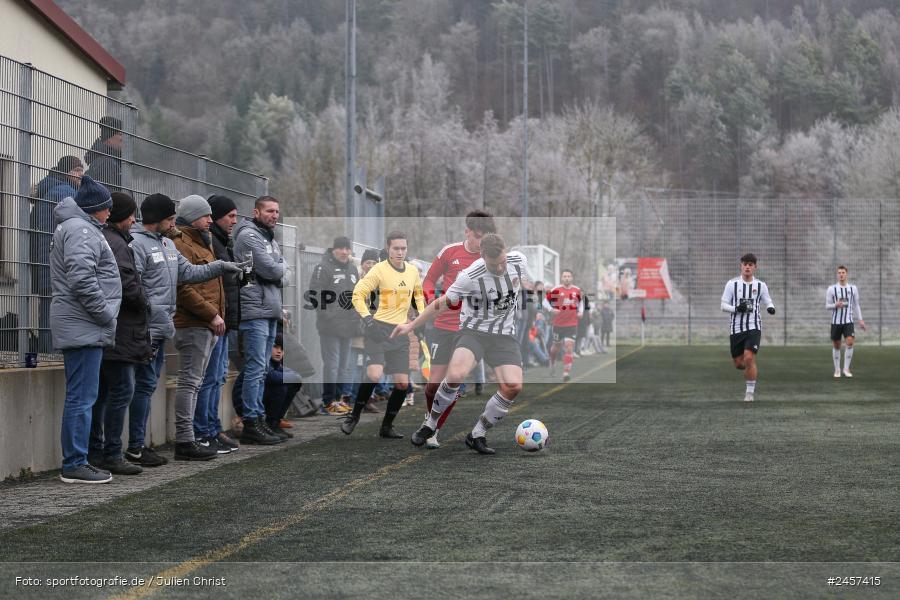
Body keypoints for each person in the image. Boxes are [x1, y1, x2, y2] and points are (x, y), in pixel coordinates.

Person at [125, 194, 240, 467]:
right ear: (157, 220)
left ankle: (143, 445)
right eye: (169, 218)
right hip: (153, 329)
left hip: (162, 328)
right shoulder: (138, 244)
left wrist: (221, 266)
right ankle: (140, 446)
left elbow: (188, 272)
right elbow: (135, 285)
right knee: (141, 388)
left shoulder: (166, 243)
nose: (173, 222)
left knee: (150, 385)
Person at [393, 234, 528, 455]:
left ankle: (477, 433)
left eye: (503, 261)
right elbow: (441, 304)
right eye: (496, 265)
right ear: (483, 257)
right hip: (474, 332)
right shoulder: (470, 275)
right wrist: (411, 325)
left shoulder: (518, 261)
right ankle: (431, 423)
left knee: (513, 386)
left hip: (503, 335)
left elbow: (523, 283)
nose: (501, 267)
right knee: (455, 375)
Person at [50, 176, 121, 484]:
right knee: (81, 397)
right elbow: (82, 280)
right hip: (85, 324)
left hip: (81, 323)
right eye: (107, 208)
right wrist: (106, 315)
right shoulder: (81, 230)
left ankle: (77, 460)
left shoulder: (78, 227)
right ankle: (75, 462)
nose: (110, 214)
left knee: (82, 396)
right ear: (95, 209)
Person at [169, 196, 242, 460]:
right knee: (195, 381)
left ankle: (205, 432)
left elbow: (208, 281)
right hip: (196, 322)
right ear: (191, 216)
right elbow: (184, 286)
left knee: (210, 379)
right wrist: (212, 314)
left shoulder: (203, 240)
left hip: (212, 321)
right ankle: (194, 436)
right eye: (206, 215)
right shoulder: (181, 243)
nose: (210, 221)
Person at [419, 210, 496, 448]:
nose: (481, 242)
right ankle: (430, 418)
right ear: (467, 232)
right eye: (477, 236)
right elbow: (429, 279)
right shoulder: (449, 252)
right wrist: (432, 300)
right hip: (443, 325)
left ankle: (434, 429)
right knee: (433, 385)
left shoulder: (491, 258)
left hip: (471, 330)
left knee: (454, 380)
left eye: (485, 237)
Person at [88, 192, 150, 476]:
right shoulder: (117, 243)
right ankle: (112, 453)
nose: (134, 220)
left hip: (112, 329)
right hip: (121, 331)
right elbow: (128, 286)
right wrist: (145, 301)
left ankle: (97, 451)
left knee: (102, 393)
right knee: (121, 390)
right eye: (130, 215)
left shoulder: (109, 240)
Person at [341, 231, 425, 438]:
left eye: (403, 248)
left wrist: (420, 321)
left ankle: (387, 426)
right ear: (388, 248)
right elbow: (357, 295)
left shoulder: (413, 271)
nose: (400, 252)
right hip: (377, 329)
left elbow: (418, 298)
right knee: (374, 374)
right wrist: (368, 320)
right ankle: (354, 415)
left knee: (402, 384)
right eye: (396, 248)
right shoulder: (378, 270)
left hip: (400, 332)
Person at [233, 195, 286, 445]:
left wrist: (278, 270)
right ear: (256, 212)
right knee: (255, 368)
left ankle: (260, 418)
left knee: (262, 368)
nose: (274, 215)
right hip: (255, 310)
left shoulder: (269, 238)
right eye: (269, 211)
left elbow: (283, 271)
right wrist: (278, 270)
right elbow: (273, 270)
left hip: (270, 309)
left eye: (277, 211)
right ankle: (251, 421)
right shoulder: (248, 236)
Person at [194, 195, 242, 453]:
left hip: (224, 319)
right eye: (230, 216)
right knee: (209, 378)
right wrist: (214, 314)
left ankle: (212, 428)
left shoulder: (222, 242)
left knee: (218, 377)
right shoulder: (211, 243)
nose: (234, 221)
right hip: (214, 320)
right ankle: (203, 431)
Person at [31, 156, 83, 353]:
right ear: (67, 172)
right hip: (61, 264)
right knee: (61, 313)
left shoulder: (47, 192)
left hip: (44, 260)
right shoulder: (67, 194)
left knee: (47, 312)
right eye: (77, 170)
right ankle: (56, 354)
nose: (81, 175)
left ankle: (47, 353)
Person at [308, 236, 360, 415]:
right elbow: (315, 294)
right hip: (330, 327)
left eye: (347, 248)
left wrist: (356, 317)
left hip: (349, 326)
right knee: (332, 364)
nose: (345, 252)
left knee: (343, 366)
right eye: (341, 248)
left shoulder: (353, 269)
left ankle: (338, 400)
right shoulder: (323, 267)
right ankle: (327, 402)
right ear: (334, 249)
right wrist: (328, 315)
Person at [720, 253, 776, 402]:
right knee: (739, 364)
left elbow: (768, 301)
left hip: (754, 326)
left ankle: (749, 393)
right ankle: (750, 368)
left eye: (750, 265)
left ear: (755, 267)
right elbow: (723, 305)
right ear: (741, 266)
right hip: (736, 328)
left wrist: (771, 308)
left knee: (749, 357)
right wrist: (737, 308)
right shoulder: (732, 284)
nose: (747, 267)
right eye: (745, 264)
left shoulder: (760, 285)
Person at [826, 265, 866, 378]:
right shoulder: (831, 289)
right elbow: (827, 306)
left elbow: (856, 305)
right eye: (839, 273)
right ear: (837, 275)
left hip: (848, 321)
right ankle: (837, 370)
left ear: (846, 274)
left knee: (850, 342)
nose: (841, 274)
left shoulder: (853, 288)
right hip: (836, 322)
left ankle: (846, 368)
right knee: (837, 346)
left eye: (843, 272)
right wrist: (835, 305)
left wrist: (861, 320)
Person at [545, 269, 583, 382]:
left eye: (569, 276)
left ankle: (566, 373)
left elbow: (582, 303)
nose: (567, 278)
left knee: (569, 347)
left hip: (572, 324)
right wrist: (551, 309)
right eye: (565, 276)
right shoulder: (556, 290)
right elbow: (544, 302)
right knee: (555, 348)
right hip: (558, 324)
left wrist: (580, 311)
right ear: (562, 278)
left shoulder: (577, 290)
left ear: (572, 278)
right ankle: (552, 362)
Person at [262, 336, 301, 439]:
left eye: (282, 349)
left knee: (293, 384)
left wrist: (296, 377)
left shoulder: (277, 365)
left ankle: (275, 422)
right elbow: (271, 376)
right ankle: (270, 423)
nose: (279, 352)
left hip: (261, 400)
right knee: (281, 384)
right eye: (275, 347)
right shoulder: (263, 361)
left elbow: (291, 374)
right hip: (244, 404)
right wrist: (295, 377)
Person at [84, 116, 123, 190]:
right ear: (109, 139)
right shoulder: (106, 163)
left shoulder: (112, 161)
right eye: (120, 134)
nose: (123, 138)